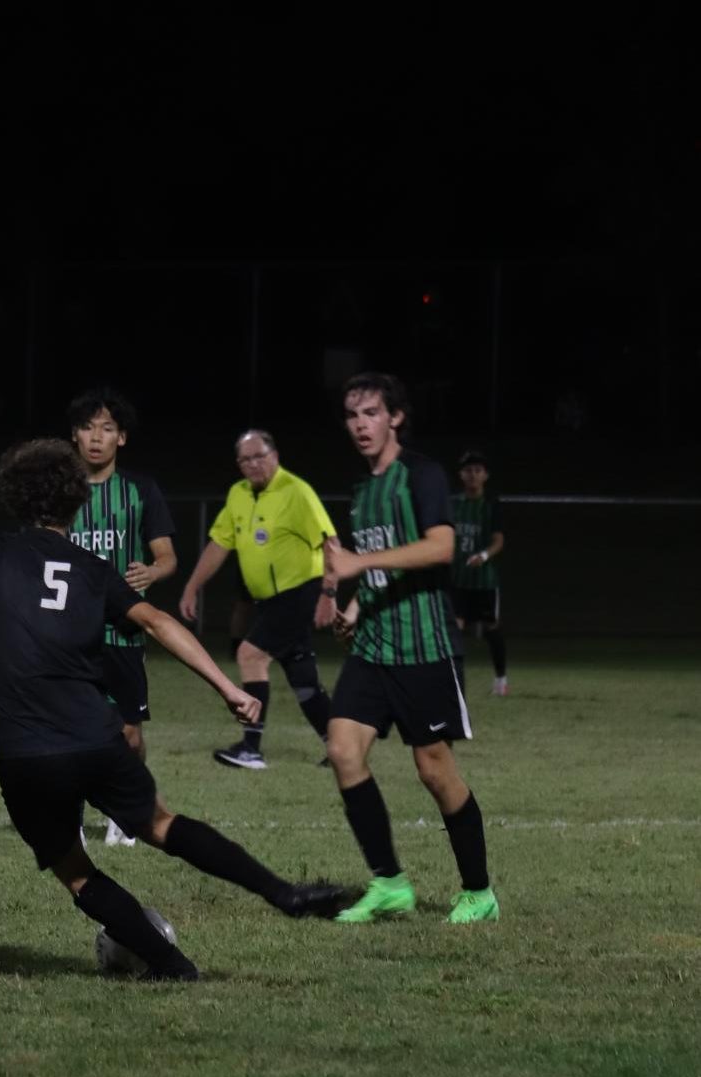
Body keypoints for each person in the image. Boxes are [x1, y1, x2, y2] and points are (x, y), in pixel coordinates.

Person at [0, 439, 355, 982]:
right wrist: (225, 686)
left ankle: (173, 967)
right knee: (161, 825)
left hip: (26, 754)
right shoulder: (92, 571)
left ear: (14, 496)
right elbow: (156, 620)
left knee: (76, 871)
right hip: (96, 737)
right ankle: (282, 893)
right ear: (75, 501)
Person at [322, 374, 499, 926]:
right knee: (344, 749)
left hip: (425, 646)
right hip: (375, 647)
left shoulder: (420, 474)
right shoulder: (361, 491)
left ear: (394, 417)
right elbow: (375, 567)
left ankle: (479, 892)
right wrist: (352, 609)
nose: (360, 424)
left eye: (371, 413)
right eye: (352, 415)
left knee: (434, 770)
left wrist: (355, 565)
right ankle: (389, 882)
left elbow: (441, 546)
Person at [178, 430, 337, 771]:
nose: (252, 465)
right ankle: (340, 746)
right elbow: (219, 544)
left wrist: (329, 592)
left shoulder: (296, 491)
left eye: (259, 456)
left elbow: (330, 543)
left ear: (275, 456)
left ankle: (250, 747)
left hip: (299, 592)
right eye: (245, 459)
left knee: (249, 654)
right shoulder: (238, 494)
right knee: (302, 676)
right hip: (269, 600)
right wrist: (192, 587)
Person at [65, 386, 177, 845]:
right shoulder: (60, 492)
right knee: (69, 726)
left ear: (121, 439)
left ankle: (126, 812)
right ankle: (68, 814)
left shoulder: (140, 491)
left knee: (127, 732)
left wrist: (151, 572)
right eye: (89, 428)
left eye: (107, 429)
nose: (96, 437)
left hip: (123, 631)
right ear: (75, 435)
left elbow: (167, 556)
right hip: (70, 632)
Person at [451, 450, 509, 695]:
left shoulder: (491, 506)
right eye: (468, 471)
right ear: (461, 475)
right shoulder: (452, 504)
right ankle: (452, 681)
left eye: (477, 470)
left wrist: (484, 555)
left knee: (491, 629)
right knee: (454, 629)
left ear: (485, 475)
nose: (472, 475)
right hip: (458, 580)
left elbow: (498, 540)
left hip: (484, 581)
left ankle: (500, 680)